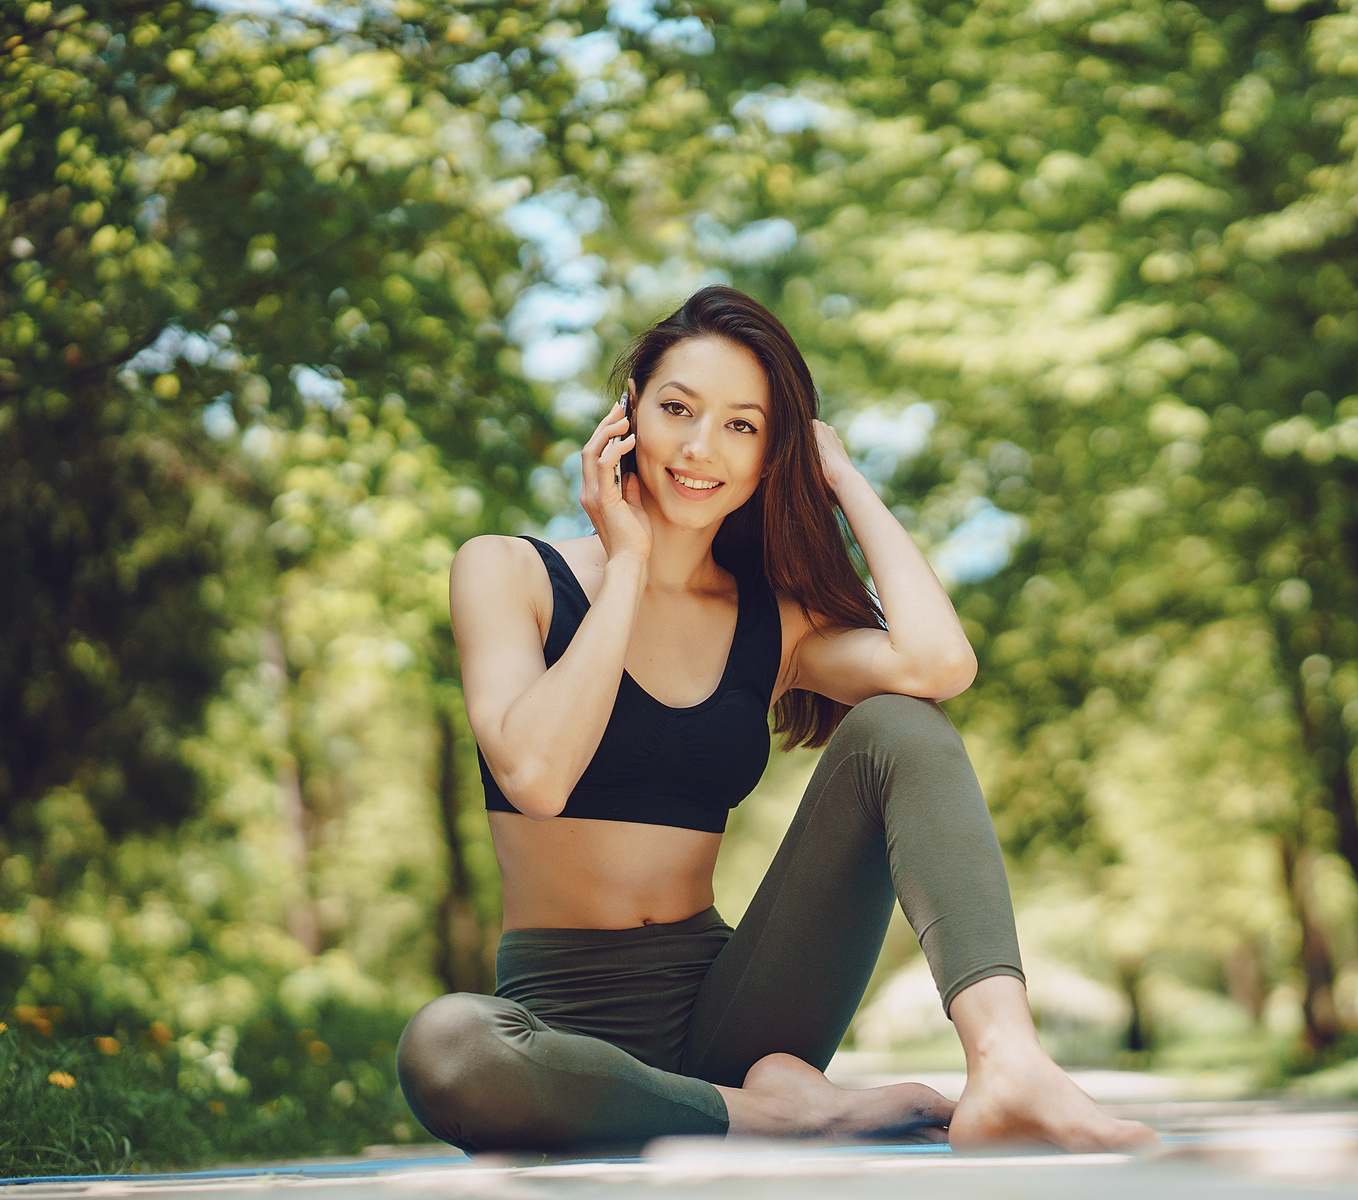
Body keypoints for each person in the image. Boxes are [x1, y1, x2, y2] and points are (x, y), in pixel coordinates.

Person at [395, 286, 1158, 1154]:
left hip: (740, 1015)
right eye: (677, 408)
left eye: (742, 426)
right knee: (449, 1047)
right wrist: (631, 563)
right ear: (626, 415)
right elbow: (536, 778)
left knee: (899, 726)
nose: (698, 446)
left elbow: (939, 667)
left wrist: (844, 478)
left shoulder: (774, 619)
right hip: (560, 1034)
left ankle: (1011, 1064)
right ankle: (786, 1116)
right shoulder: (508, 573)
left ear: (770, 456)